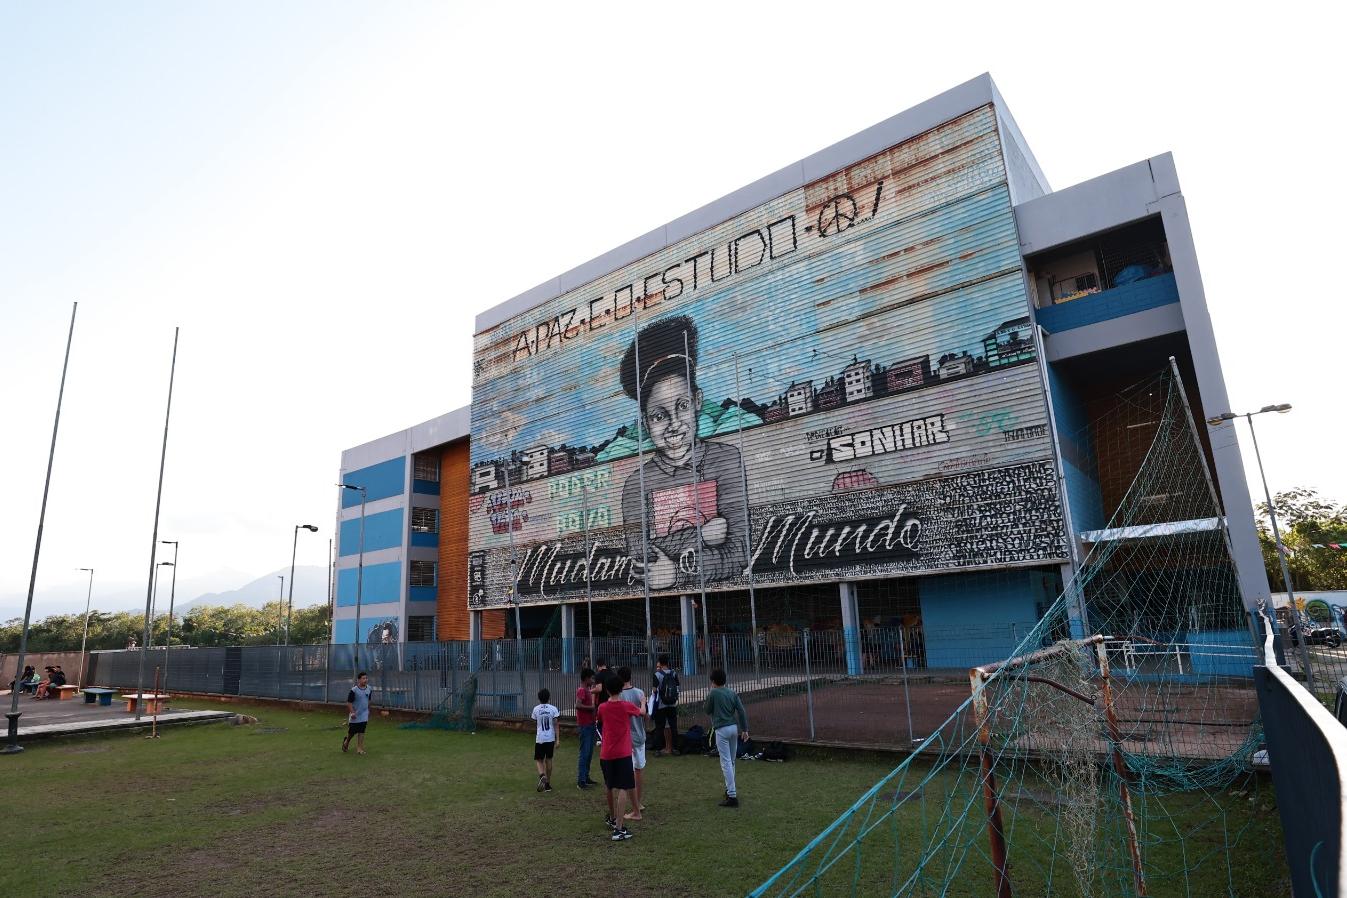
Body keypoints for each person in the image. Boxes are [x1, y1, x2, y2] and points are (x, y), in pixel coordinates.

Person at [619, 315, 749, 591]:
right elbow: (641, 556)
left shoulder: (726, 460)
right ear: (645, 423)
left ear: (697, 401)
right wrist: (701, 535)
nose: (674, 424)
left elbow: (739, 549)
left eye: (682, 406)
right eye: (659, 416)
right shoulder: (635, 485)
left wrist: (677, 572)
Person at [596, 674, 644, 841]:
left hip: (606, 753)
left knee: (609, 786)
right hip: (622, 753)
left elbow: (600, 722)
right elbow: (641, 713)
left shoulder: (602, 707)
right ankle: (619, 828)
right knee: (623, 787)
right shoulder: (626, 706)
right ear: (621, 689)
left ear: (607, 690)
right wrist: (643, 701)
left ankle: (612, 817)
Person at [705, 668, 749, 807]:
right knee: (731, 761)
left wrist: (710, 694)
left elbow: (707, 709)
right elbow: (741, 711)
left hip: (721, 729)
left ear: (713, 681)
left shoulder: (713, 693)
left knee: (726, 762)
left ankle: (732, 794)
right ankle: (730, 789)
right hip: (733, 728)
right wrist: (745, 729)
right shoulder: (732, 692)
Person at [617, 667, 647, 819]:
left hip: (626, 738)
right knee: (639, 770)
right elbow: (645, 714)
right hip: (640, 735)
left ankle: (635, 807)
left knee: (629, 772)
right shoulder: (640, 693)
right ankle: (638, 803)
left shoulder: (619, 696)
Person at [531, 687, 560, 792]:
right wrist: (558, 739)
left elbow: (535, 722)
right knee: (549, 759)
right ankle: (547, 784)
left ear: (539, 698)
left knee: (539, 759)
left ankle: (542, 775)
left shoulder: (536, 709)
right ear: (549, 697)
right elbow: (556, 724)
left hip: (540, 738)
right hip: (550, 738)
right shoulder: (553, 709)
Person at [574, 668, 599, 789]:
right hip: (585, 725)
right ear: (586, 678)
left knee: (589, 752)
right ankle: (581, 781)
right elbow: (578, 705)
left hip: (590, 724)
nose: (593, 681)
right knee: (584, 752)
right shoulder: (582, 690)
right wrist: (591, 708)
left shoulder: (587, 690)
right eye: (592, 678)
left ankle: (586, 777)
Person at [652, 653, 680, 756]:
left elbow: (654, 690)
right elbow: (677, 687)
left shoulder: (657, 674)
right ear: (668, 662)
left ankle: (658, 750)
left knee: (659, 727)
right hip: (672, 704)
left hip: (661, 704)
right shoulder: (673, 673)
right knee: (673, 726)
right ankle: (675, 748)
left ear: (660, 662)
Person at [342, 671, 372, 755]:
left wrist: (368, 710)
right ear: (359, 680)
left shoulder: (369, 688)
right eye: (363, 678)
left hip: (364, 714)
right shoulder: (354, 690)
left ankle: (359, 748)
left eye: (366, 678)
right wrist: (352, 712)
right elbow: (349, 703)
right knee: (352, 732)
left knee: (362, 730)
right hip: (355, 714)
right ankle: (346, 742)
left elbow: (369, 700)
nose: (365, 680)